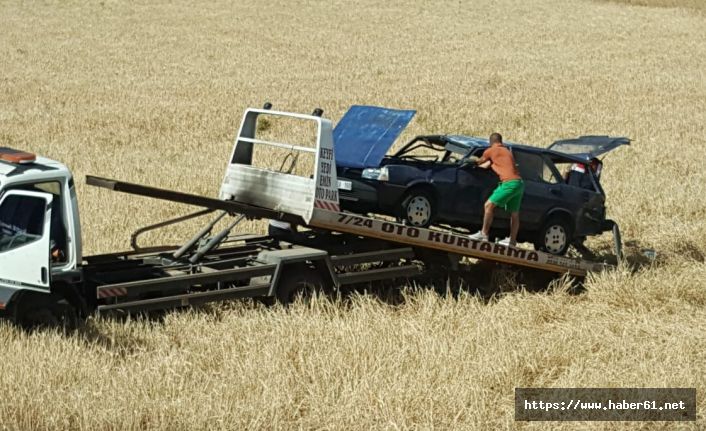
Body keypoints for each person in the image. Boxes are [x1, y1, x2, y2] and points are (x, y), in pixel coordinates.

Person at [467, 133, 525, 247]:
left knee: (488, 205)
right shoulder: (507, 152)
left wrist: (470, 161)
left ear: (491, 142)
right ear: (500, 141)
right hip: (519, 183)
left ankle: (483, 234)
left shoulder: (491, 151)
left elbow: (480, 162)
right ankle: (512, 241)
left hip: (508, 183)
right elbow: (491, 164)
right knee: (514, 214)